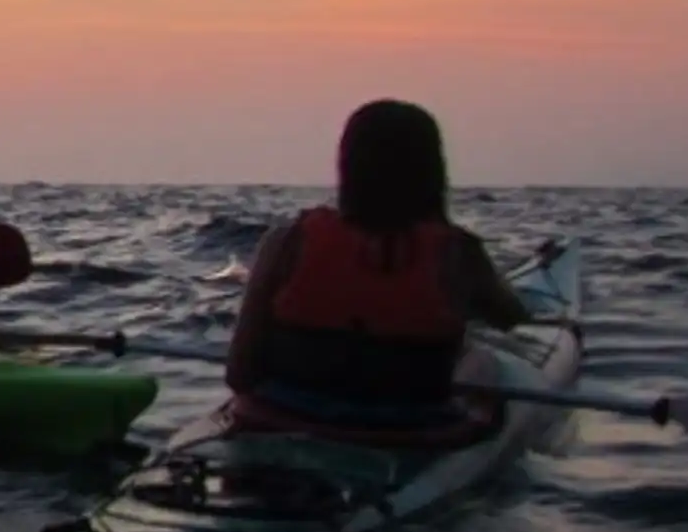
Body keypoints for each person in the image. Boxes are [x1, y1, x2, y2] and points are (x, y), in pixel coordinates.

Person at [222, 99, 540, 429]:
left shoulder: (286, 241)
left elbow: (239, 374)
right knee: (483, 360)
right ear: (432, 170)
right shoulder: (458, 252)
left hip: (286, 415)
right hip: (411, 427)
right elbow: (511, 318)